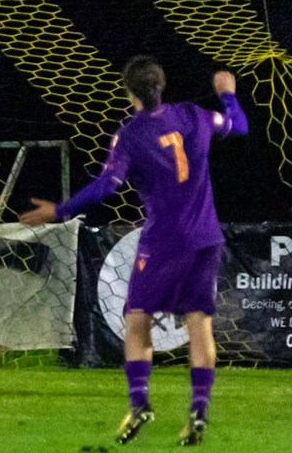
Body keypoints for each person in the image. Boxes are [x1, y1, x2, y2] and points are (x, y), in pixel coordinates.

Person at [19, 57, 248, 447]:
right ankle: (199, 409)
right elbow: (238, 126)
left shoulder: (130, 135)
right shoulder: (195, 116)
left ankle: (140, 402)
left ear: (128, 91)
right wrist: (228, 96)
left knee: (137, 317)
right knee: (199, 323)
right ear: (163, 84)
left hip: (163, 241)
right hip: (206, 237)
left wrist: (59, 210)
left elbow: (107, 185)